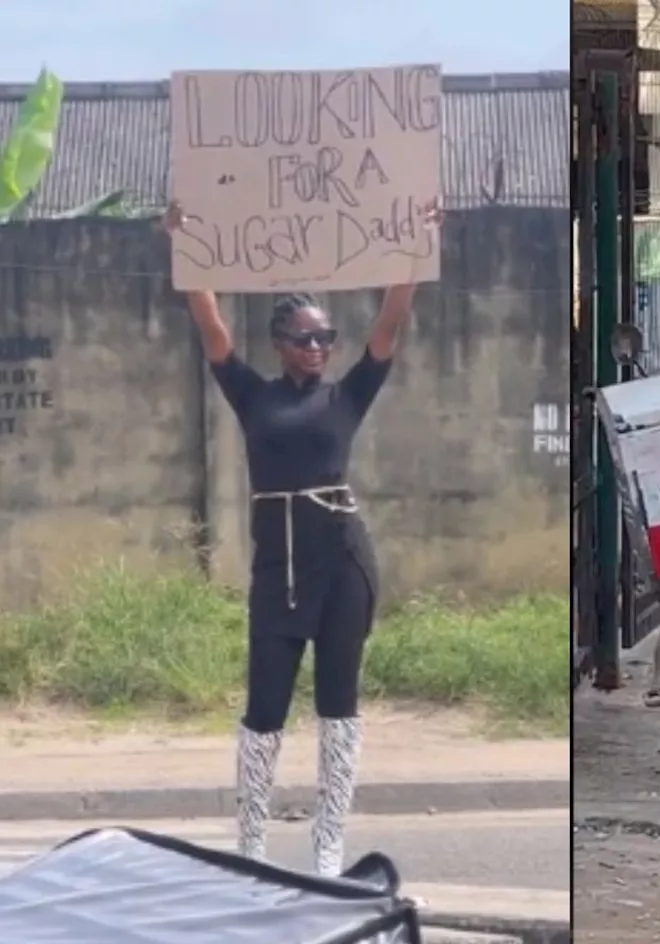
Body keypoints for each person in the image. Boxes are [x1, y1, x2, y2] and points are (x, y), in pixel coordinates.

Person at [163, 200, 427, 877]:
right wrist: (187, 249)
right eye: (305, 338)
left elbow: (390, 323)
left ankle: (327, 849)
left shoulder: (348, 395)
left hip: (343, 560)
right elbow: (210, 322)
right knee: (264, 709)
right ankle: (251, 846)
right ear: (280, 343)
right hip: (277, 567)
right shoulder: (253, 395)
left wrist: (417, 246)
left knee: (338, 702)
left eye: (325, 338)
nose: (317, 348)